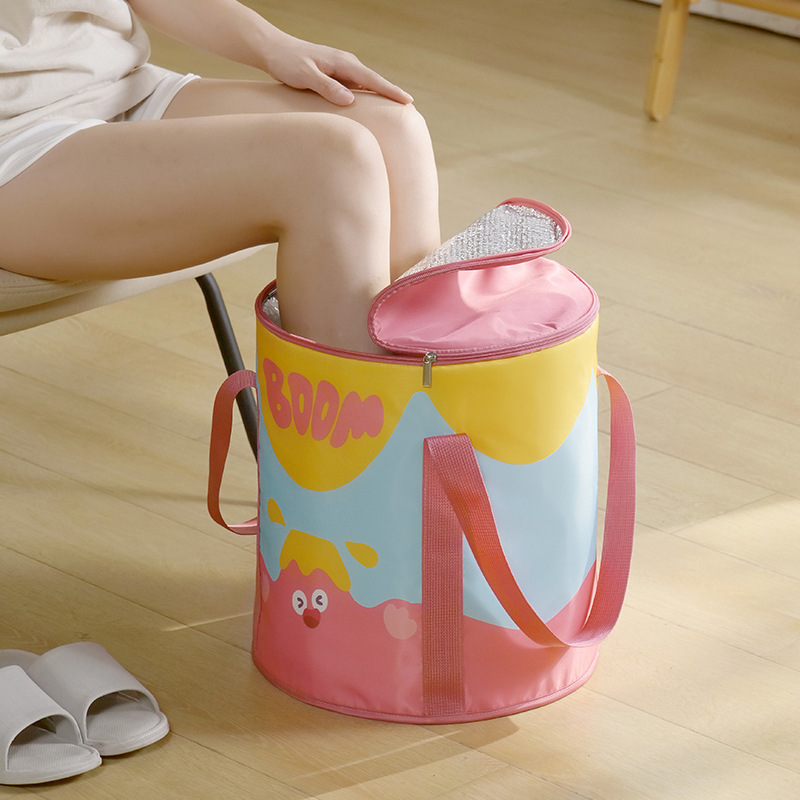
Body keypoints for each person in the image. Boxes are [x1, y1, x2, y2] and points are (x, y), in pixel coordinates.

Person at [0, 0, 440, 353]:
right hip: (14, 135)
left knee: (392, 128)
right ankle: (376, 435)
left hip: (116, 86)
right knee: (329, 165)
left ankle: (432, 410)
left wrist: (274, 45)